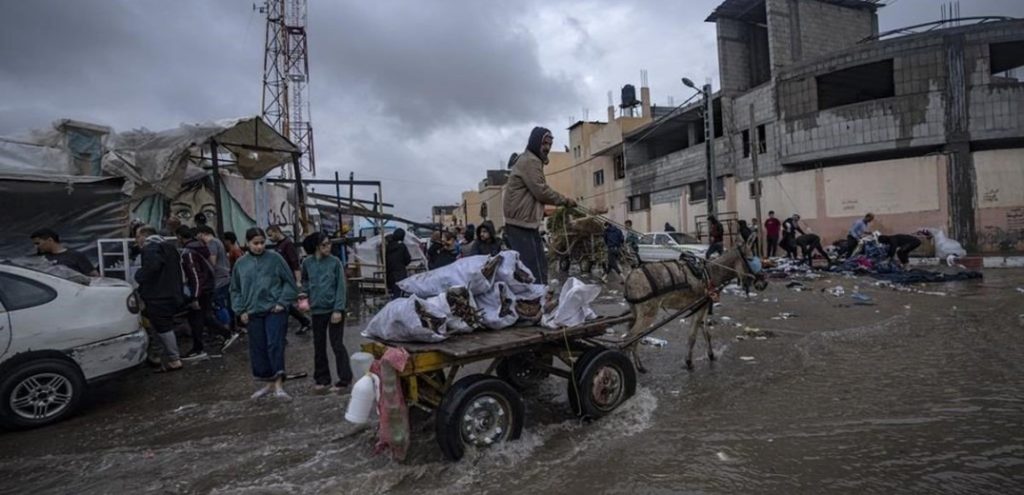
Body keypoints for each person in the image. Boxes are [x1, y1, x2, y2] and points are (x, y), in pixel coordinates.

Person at [231, 227, 299, 400]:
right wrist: (241, 310)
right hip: (252, 311)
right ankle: (268, 384)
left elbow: (289, 282)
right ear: (247, 243)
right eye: (255, 243)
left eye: (262, 243)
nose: (259, 247)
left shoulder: (275, 259)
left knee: (275, 344)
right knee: (259, 348)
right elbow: (235, 289)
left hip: (274, 310)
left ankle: (278, 385)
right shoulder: (241, 263)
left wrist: (282, 302)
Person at [502, 126, 576, 284]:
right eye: (545, 144)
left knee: (539, 265)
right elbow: (541, 191)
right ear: (536, 143)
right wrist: (565, 200)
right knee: (534, 269)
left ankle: (538, 299)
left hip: (525, 224)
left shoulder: (531, 160)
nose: (548, 148)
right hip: (521, 225)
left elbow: (535, 196)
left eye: (549, 144)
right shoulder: (530, 161)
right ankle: (537, 302)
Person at [301, 233, 351, 393]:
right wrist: (304, 297)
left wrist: (338, 309)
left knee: (337, 344)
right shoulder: (307, 263)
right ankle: (322, 378)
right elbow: (305, 282)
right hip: (317, 310)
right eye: (324, 245)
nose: (328, 247)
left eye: (329, 244)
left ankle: (344, 378)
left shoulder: (335, 262)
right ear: (316, 247)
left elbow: (341, 287)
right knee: (319, 345)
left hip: (334, 310)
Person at [134, 226, 184, 372]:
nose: (136, 240)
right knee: (163, 326)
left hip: (158, 296)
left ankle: (174, 359)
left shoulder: (150, 249)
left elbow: (152, 267)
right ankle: (159, 356)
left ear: (144, 236)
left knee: (163, 328)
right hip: (172, 294)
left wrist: (139, 276)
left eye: (137, 237)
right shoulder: (170, 248)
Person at [178, 226, 230, 359]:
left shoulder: (188, 253)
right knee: (205, 316)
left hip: (200, 289)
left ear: (180, 237)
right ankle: (225, 333)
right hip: (208, 286)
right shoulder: (201, 247)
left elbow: (195, 275)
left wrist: (195, 296)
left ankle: (199, 347)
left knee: (198, 317)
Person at [267, 225, 312, 334]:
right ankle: (304, 321)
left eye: (270, 235)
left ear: (277, 231)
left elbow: (294, 263)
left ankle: (302, 322)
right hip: (281, 278)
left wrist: (297, 280)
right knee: (286, 305)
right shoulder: (279, 245)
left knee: (286, 304)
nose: (270, 238)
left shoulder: (287, 244)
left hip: (288, 278)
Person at [30, 229, 98, 276]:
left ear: (50, 240)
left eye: (37, 243)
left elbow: (94, 276)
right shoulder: (40, 258)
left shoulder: (76, 256)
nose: (36, 247)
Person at [385, 228, 413, 299]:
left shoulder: (388, 247)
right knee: (400, 294)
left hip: (390, 273)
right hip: (400, 273)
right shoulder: (402, 246)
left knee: (395, 293)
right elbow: (408, 259)